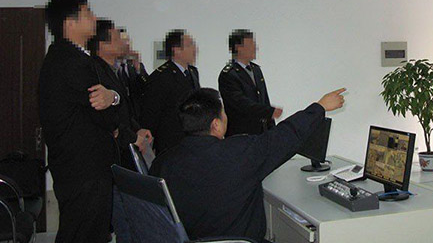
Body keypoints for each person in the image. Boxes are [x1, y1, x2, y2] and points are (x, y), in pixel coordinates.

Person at [150, 87, 346, 242]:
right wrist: (320, 107)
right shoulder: (240, 152)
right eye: (224, 113)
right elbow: (286, 135)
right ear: (216, 124)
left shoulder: (162, 162)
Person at [38, 0, 120, 243]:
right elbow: (105, 115)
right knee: (83, 233)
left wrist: (112, 97)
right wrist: (113, 99)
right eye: (87, 13)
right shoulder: (71, 61)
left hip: (80, 167)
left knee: (85, 231)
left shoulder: (69, 57)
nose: (94, 18)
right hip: (84, 169)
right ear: (70, 23)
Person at [87, 19, 153, 243]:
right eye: (117, 38)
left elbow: (125, 110)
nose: (124, 43)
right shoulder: (95, 72)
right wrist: (133, 137)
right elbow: (108, 121)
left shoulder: (111, 70)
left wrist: (138, 129)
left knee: (127, 212)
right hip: (110, 155)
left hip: (123, 149)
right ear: (103, 45)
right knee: (122, 216)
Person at [141, 29, 200, 154]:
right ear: (176, 50)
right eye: (190, 45)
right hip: (171, 141)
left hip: (191, 138)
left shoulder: (193, 72)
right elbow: (152, 112)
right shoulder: (161, 76)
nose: (195, 49)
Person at [219, 29, 282, 136]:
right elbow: (240, 103)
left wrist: (272, 128)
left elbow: (264, 99)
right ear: (238, 48)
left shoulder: (256, 70)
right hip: (242, 134)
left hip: (261, 133)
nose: (255, 48)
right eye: (250, 45)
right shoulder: (229, 74)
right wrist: (268, 111)